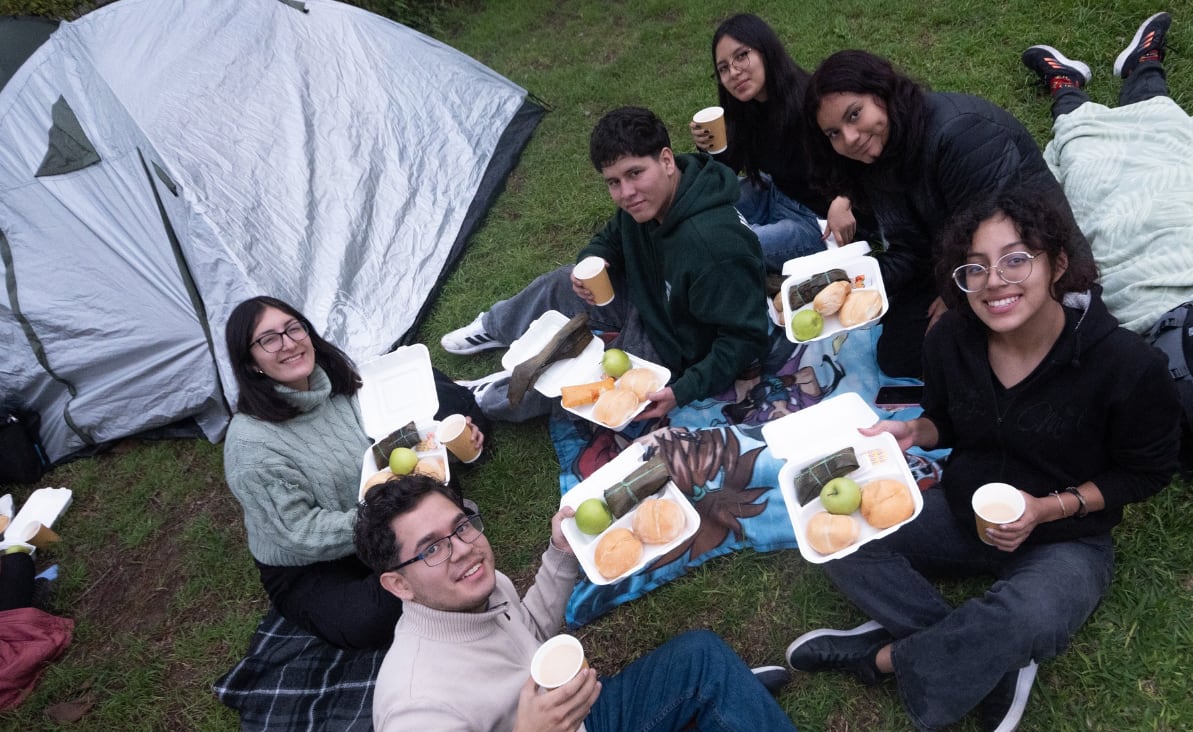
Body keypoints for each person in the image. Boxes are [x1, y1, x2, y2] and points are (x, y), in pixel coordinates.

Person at [783, 184, 1180, 731]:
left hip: (1068, 534)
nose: (995, 281)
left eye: (1016, 260)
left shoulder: (1125, 365)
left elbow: (1147, 471)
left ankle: (886, 657)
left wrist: (1046, 509)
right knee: (834, 537)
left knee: (1033, 611)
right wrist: (913, 430)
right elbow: (944, 418)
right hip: (962, 507)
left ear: (1057, 263)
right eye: (975, 267)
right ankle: (988, 656)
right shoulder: (950, 339)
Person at [354, 474, 798, 732]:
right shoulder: (417, 708)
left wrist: (562, 553)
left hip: (580, 720)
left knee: (702, 659)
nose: (464, 549)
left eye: (462, 527)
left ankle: (724, 699)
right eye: (432, 549)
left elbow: (528, 632)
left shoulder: (474, 588)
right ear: (399, 585)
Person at [442, 106, 769, 423]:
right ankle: (496, 326)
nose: (626, 193)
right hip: (649, 294)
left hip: (677, 342)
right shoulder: (651, 199)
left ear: (666, 160)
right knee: (559, 281)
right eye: (613, 182)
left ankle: (484, 398)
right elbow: (613, 235)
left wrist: (682, 391)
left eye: (634, 173)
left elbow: (745, 339)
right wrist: (593, 259)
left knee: (585, 376)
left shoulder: (715, 248)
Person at [801, 49, 1094, 378]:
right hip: (956, 265)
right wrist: (848, 281)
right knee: (898, 355)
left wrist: (955, 300)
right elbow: (910, 248)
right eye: (834, 134)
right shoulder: (876, 157)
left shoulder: (961, 135)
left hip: (1031, 268)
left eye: (854, 115)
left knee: (963, 358)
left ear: (883, 92)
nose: (850, 138)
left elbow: (994, 242)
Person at [222, 295, 488, 649]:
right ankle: (427, 538)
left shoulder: (337, 381)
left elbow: (393, 446)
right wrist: (393, 524)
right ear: (251, 361)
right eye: (269, 339)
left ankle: (424, 540)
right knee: (370, 620)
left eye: (293, 328)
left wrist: (444, 447)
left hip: (374, 511)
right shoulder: (250, 447)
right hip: (311, 563)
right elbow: (299, 534)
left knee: (454, 410)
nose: (288, 343)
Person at [688, 13, 858, 270]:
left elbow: (860, 157)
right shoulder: (746, 109)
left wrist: (844, 199)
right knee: (700, 209)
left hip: (815, 221)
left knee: (731, 244)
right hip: (774, 192)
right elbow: (726, 172)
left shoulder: (810, 102)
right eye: (723, 68)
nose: (733, 72)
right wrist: (710, 146)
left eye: (741, 56)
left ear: (765, 51)